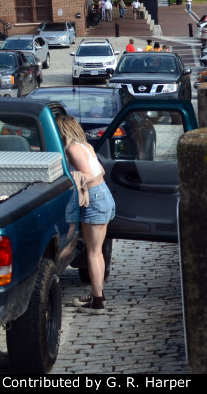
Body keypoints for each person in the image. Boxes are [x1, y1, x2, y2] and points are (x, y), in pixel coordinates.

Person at [58, 114, 115, 315]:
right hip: (104, 195)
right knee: (96, 251)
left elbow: (90, 176)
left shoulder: (72, 150)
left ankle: (97, 302)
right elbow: (101, 171)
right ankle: (97, 294)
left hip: (94, 198)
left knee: (93, 253)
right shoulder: (86, 146)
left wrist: (69, 176)